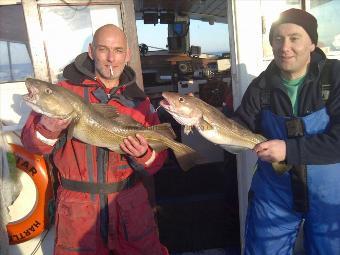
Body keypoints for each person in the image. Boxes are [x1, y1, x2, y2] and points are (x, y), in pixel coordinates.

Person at [21, 24, 169, 255]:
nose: (111, 58)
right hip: (78, 210)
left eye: (118, 50)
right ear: (91, 51)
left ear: (128, 54)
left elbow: (158, 162)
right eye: (103, 49)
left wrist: (144, 155)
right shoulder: (63, 92)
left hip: (130, 206)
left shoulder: (140, 101)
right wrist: (48, 128)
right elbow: (32, 144)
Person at [234, 9, 340, 254]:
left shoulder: (334, 77)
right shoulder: (261, 86)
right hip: (274, 194)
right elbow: (238, 128)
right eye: (278, 39)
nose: (285, 47)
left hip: (330, 195)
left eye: (295, 38)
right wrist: (205, 120)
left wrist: (288, 149)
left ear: (312, 43)